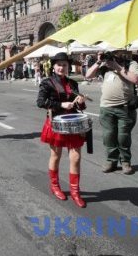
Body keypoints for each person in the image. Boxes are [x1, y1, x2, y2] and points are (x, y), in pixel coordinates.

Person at [36, 53, 87, 208]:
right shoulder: (47, 82)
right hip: (56, 122)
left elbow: (79, 106)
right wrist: (61, 105)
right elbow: (40, 102)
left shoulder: (72, 83)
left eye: (64, 65)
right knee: (56, 155)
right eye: (58, 64)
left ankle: (75, 192)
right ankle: (55, 186)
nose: (61, 67)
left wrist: (80, 102)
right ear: (53, 66)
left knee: (76, 158)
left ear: (68, 66)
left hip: (72, 123)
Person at [86, 51, 138, 175]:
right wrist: (99, 61)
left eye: (117, 51)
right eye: (112, 52)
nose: (115, 54)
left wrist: (117, 67)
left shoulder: (130, 63)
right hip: (106, 107)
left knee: (123, 137)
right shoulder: (104, 65)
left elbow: (135, 79)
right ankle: (111, 161)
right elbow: (88, 75)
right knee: (108, 136)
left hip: (125, 107)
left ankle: (126, 162)